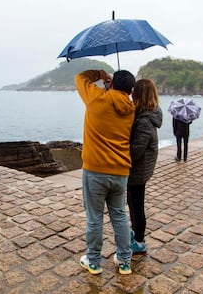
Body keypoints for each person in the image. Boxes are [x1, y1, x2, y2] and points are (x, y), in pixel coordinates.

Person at [75, 69, 135, 275]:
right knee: (119, 216)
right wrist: (114, 86)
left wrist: (102, 74)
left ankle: (93, 261)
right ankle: (125, 261)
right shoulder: (131, 107)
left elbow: (80, 78)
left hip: (95, 170)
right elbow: (118, 99)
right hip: (121, 171)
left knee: (94, 218)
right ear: (131, 90)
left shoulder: (96, 98)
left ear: (111, 83)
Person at [127, 79, 162, 255]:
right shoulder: (144, 115)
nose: (131, 93)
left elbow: (136, 151)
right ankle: (136, 233)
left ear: (139, 94)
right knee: (133, 203)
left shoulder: (145, 121)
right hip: (139, 169)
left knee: (136, 205)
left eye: (134, 91)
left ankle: (139, 241)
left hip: (138, 171)